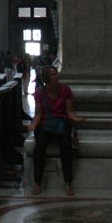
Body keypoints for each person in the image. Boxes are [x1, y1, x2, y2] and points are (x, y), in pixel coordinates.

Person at [30, 66, 86, 196]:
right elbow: (38, 114)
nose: (55, 76)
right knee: (39, 149)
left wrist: (78, 119)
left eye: (55, 73)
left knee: (66, 148)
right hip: (45, 123)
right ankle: (37, 183)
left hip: (60, 123)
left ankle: (68, 183)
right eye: (52, 74)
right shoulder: (39, 93)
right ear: (46, 78)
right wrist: (33, 125)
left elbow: (69, 111)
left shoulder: (65, 90)